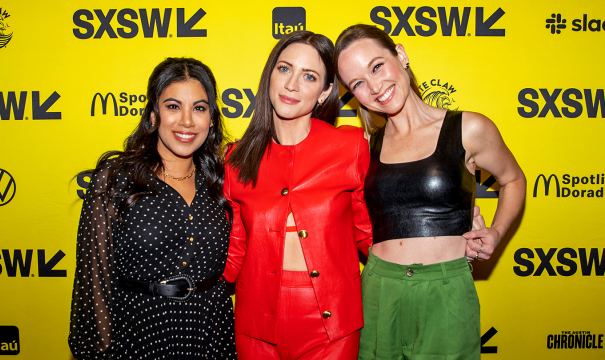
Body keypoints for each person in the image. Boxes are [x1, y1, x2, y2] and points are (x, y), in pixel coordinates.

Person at [334, 24, 526, 359]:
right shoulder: (365, 146)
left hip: (446, 290)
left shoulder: (469, 127)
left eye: (377, 66)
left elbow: (514, 179)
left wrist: (496, 230)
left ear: (401, 55)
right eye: (358, 84)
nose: (375, 87)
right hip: (380, 291)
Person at [68, 58, 236, 359]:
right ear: (153, 115)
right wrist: (95, 351)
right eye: (173, 106)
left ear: (211, 118)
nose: (187, 121)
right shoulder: (115, 177)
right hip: (140, 331)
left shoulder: (222, 180)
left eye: (199, 108)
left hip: (211, 330)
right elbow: (94, 279)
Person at [223, 31, 371, 359]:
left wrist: (436, 238)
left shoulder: (350, 148)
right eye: (284, 69)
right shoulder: (235, 159)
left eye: (309, 76)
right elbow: (234, 251)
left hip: (333, 325)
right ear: (270, 75)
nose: (292, 85)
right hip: (256, 325)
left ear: (325, 92)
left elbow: (371, 236)